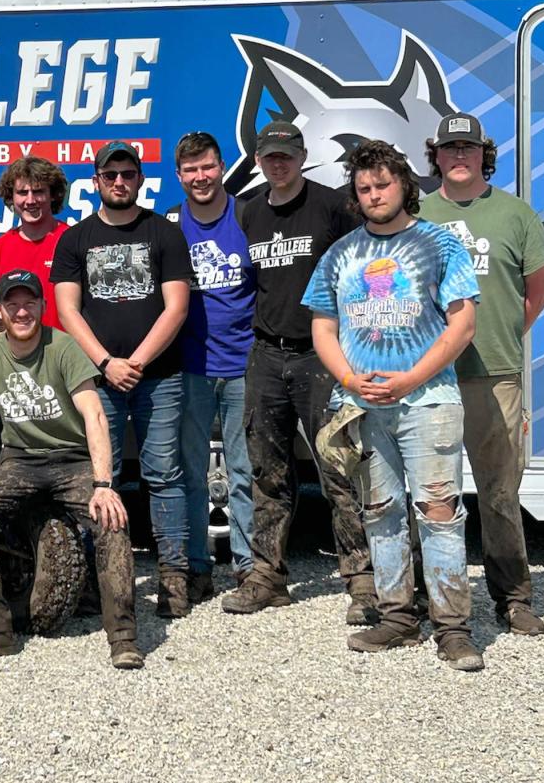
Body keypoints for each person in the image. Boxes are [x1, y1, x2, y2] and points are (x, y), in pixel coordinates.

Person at [303, 139, 484, 671]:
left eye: (383, 183)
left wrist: (409, 380)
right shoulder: (340, 255)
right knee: (379, 513)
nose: (375, 194)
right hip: (362, 407)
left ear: (405, 184)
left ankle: (453, 627)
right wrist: (349, 380)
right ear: (354, 197)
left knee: (439, 512)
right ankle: (398, 616)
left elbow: (463, 324)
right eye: (364, 188)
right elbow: (323, 326)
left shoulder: (440, 245)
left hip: (429, 401)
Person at [221, 121, 377, 623]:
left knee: (340, 470)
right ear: (260, 160)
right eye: (270, 156)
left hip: (322, 355)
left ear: (302, 156)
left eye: (287, 155)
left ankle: (363, 579)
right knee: (268, 472)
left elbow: (365, 269)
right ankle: (267, 576)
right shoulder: (248, 211)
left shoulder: (332, 205)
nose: (278, 163)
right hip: (265, 356)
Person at [0, 270, 142, 669]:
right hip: (20, 461)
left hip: (72, 461)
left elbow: (95, 416)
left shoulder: (64, 347)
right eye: (13, 304)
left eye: (30, 302)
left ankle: (123, 638)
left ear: (41, 305)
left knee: (111, 520)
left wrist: (104, 485)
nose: (22, 312)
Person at [420, 112, 544, 636]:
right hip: (431, 377)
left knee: (499, 493)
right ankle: (430, 597)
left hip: (495, 373)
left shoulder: (516, 215)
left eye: (467, 149)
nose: (458, 157)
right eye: (449, 149)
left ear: (483, 156)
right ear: (437, 156)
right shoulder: (418, 214)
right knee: (432, 494)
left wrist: (499, 335)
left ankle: (514, 597)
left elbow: (536, 289)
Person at [51, 141, 191, 616]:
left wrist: (137, 362)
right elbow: (68, 310)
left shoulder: (164, 233)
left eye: (127, 174)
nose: (118, 182)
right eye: (109, 174)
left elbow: (177, 306)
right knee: (99, 477)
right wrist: (106, 362)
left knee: (164, 476)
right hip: (97, 380)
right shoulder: (75, 239)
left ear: (139, 179)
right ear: (96, 181)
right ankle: (100, 579)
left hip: (160, 377)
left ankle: (173, 578)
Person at [168, 131, 256, 603]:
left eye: (207, 167)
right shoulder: (170, 224)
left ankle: (248, 567)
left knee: (244, 471)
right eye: (190, 170)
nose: (200, 177)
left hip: (244, 364)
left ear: (220, 166)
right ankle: (197, 567)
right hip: (190, 367)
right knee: (192, 471)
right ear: (178, 175)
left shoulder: (247, 216)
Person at [0, 156, 70, 330]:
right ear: (11, 197)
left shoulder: (73, 240)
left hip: (66, 352)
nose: (30, 201)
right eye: (22, 192)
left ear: (52, 195)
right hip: (16, 354)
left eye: (38, 192)